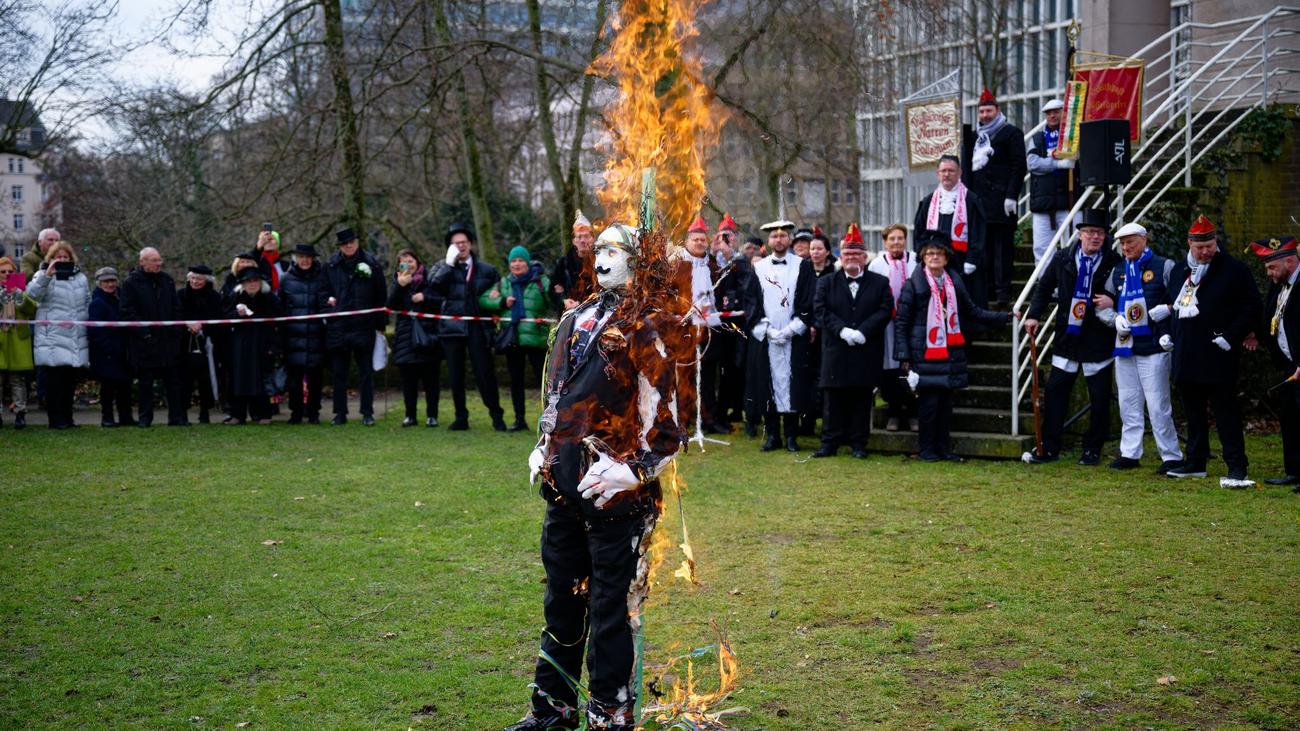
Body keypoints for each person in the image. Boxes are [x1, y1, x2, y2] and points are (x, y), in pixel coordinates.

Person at [508, 223, 686, 731]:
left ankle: (609, 714)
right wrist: (544, 446)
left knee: (611, 610)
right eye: (600, 248)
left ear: (638, 259)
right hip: (564, 487)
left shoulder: (650, 326)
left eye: (616, 249)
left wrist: (633, 471)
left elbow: (670, 423)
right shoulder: (576, 317)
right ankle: (553, 709)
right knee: (561, 601)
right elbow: (556, 395)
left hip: (617, 499)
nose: (604, 258)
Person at [895, 236, 1012, 461]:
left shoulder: (954, 283)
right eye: (930, 253)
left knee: (946, 404)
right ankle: (927, 450)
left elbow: (973, 311)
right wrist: (904, 355)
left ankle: (944, 449)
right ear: (923, 258)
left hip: (950, 352)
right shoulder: (913, 284)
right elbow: (902, 322)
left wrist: (1003, 317)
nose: (934, 257)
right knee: (929, 404)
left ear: (947, 258)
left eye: (939, 253)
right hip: (924, 352)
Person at [1165, 215, 1263, 484]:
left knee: (1226, 412)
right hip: (1186, 353)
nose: (1206, 251)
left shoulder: (1234, 270)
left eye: (1210, 245)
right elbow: (1170, 306)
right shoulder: (1179, 271)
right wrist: (1167, 334)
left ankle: (1236, 465)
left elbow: (1252, 307)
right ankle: (1195, 461)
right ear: (1190, 243)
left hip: (1218, 354)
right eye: (1200, 247)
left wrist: (1232, 336)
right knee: (1193, 412)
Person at [1022, 209, 1120, 465]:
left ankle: (1092, 449)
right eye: (1090, 232)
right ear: (1080, 234)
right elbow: (1044, 287)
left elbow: (1126, 292)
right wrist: (1034, 315)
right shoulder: (1063, 257)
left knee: (1099, 398)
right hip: (1068, 335)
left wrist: (1113, 300)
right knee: (1056, 392)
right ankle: (1049, 446)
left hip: (1097, 336)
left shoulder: (1113, 261)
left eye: (1100, 233)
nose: (1096, 237)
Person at [1094, 223, 1182, 473]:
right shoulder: (1118, 271)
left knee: (1158, 405)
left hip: (1154, 346)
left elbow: (1180, 299)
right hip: (1125, 347)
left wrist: (1167, 320)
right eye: (1122, 243)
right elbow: (1102, 305)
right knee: (1128, 402)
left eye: (1130, 242)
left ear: (1144, 240)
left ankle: (1171, 455)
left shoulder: (1164, 266)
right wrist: (1114, 320)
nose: (1125, 247)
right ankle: (1130, 453)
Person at [812, 224, 893, 458]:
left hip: (865, 349)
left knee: (861, 398)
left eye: (857, 254)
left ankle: (859, 444)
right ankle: (829, 443)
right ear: (841, 257)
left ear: (865, 257)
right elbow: (820, 310)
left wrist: (864, 331)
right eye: (847, 254)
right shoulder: (826, 282)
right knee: (833, 399)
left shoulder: (880, 282)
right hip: (836, 348)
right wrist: (842, 330)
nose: (852, 258)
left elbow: (885, 310)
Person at [744, 218, 814, 451]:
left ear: (790, 239)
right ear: (769, 240)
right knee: (767, 384)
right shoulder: (759, 268)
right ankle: (773, 435)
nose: (779, 239)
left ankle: (792, 435)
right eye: (774, 236)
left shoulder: (803, 266)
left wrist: (792, 329)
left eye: (783, 235)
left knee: (794, 384)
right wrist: (769, 330)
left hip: (794, 337)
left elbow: (808, 299)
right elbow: (751, 301)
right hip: (768, 338)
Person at [429, 223, 507, 431]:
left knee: (484, 373)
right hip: (451, 328)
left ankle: (496, 416)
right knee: (455, 375)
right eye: (456, 243)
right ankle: (460, 417)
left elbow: (496, 294)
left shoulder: (487, 270)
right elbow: (434, 287)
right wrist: (448, 266)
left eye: (463, 242)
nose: (461, 246)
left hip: (477, 328)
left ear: (471, 244)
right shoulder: (441, 268)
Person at [481, 245, 551, 432]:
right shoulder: (503, 283)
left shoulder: (541, 281)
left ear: (527, 263)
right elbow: (483, 300)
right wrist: (501, 301)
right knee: (516, 381)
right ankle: (519, 420)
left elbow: (554, 300)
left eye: (520, 260)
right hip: (513, 339)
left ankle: (549, 419)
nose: (517, 264)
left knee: (543, 381)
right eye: (513, 261)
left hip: (537, 339)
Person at [966, 88, 1026, 305]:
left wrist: (1012, 195)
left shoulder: (1012, 133)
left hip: (1002, 202)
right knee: (984, 249)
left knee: (1002, 250)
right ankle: (988, 290)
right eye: (982, 111)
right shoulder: (974, 137)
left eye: (988, 111)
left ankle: (1003, 292)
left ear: (997, 110)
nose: (985, 115)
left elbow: (1019, 167)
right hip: (979, 202)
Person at [323, 227, 388, 426]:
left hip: (363, 325)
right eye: (344, 243)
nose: (348, 246)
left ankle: (367, 412)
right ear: (340, 246)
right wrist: (329, 304)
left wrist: (380, 324)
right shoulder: (330, 265)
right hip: (338, 326)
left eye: (351, 242)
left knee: (365, 372)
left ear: (357, 242)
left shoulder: (372, 264)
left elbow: (380, 295)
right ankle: (340, 413)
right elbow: (323, 290)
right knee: (339, 373)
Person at [1251, 236, 1300, 489]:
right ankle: (1294, 471)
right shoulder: (1280, 284)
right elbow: (1270, 314)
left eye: (1272, 267)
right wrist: (1256, 335)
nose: (1268, 273)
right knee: (1291, 418)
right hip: (1288, 364)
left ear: (1289, 262)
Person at [119, 247, 187, 427]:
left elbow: (176, 307)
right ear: (143, 262)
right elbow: (127, 311)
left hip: (168, 340)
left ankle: (176, 417)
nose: (159, 264)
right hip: (144, 342)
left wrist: (175, 330)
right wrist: (145, 333)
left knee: (173, 381)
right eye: (154, 260)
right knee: (145, 383)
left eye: (159, 260)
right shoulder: (130, 283)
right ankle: (145, 418)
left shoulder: (167, 280)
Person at [25, 241, 90, 429]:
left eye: (65, 257)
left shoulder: (81, 278)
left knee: (70, 381)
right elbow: (32, 295)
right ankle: (55, 420)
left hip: (75, 336)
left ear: (71, 258)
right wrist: (46, 276)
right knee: (54, 382)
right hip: (52, 337)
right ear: (51, 258)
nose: (62, 260)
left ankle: (68, 418)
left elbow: (87, 302)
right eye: (58, 257)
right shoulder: (41, 274)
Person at [867, 223, 918, 431]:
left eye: (900, 238)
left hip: (912, 323)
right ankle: (894, 412)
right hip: (887, 324)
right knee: (890, 368)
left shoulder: (916, 260)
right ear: (885, 242)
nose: (896, 242)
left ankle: (913, 412)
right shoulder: (877, 264)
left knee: (910, 367)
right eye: (892, 239)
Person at [914, 155, 986, 302]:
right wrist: (921, 255)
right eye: (943, 171)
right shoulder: (928, 201)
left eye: (951, 171)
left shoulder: (971, 200)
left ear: (959, 173)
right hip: (934, 262)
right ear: (938, 173)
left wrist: (972, 259)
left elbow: (978, 232)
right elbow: (919, 232)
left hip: (962, 264)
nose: (947, 174)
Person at [678, 215, 723, 435]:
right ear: (687, 241)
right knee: (684, 376)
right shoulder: (677, 265)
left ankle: (708, 419)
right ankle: (683, 419)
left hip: (708, 328)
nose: (699, 243)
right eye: (695, 239)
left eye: (702, 240)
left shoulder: (713, 265)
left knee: (708, 376)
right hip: (684, 330)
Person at [387, 248, 441, 427]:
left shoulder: (430, 279)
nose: (408, 265)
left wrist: (425, 298)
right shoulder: (398, 281)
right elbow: (390, 306)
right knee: (408, 381)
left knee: (431, 380)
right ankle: (410, 415)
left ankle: (432, 415)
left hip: (428, 334)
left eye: (410, 261)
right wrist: (399, 286)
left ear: (418, 262)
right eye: (403, 262)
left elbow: (441, 301)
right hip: (405, 336)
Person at [279, 244, 330, 424]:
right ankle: (296, 413)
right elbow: (281, 307)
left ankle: (314, 412)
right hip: (293, 336)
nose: (305, 260)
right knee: (295, 379)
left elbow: (325, 304)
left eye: (308, 257)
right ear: (296, 259)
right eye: (301, 257)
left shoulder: (322, 277)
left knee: (315, 378)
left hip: (316, 335)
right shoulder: (285, 279)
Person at [223, 267, 281, 424]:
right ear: (242, 284)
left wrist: (274, 346)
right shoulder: (235, 297)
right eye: (248, 281)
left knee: (262, 380)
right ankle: (237, 414)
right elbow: (225, 317)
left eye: (255, 280)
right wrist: (237, 315)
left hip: (263, 344)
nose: (252, 284)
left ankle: (263, 414)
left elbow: (279, 321)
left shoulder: (269, 298)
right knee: (238, 379)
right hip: (240, 345)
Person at [707, 213, 748, 432]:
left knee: (729, 371)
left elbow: (746, 286)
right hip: (712, 324)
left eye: (729, 236)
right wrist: (712, 253)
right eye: (722, 235)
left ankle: (723, 414)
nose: (725, 240)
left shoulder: (741, 262)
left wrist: (730, 255)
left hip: (733, 325)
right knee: (709, 372)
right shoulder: (710, 262)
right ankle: (709, 416)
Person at [1026, 99, 1077, 262]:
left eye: (1056, 112)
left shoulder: (1073, 136)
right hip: (1043, 203)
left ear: (1064, 113)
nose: (1052, 116)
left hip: (1069, 200)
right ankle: (1046, 279)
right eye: (1049, 113)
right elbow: (1032, 163)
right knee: (1042, 249)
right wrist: (1057, 164)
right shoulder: (1037, 138)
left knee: (1074, 246)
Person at [798, 230, 837, 436]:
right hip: (806, 332)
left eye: (819, 249)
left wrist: (818, 324)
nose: (815, 252)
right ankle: (807, 422)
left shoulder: (835, 273)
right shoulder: (804, 271)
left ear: (827, 252)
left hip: (827, 332)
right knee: (807, 378)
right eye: (812, 249)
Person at [86, 267, 133, 427]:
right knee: (108, 387)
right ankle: (107, 417)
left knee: (125, 386)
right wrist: (109, 347)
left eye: (112, 281)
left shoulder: (121, 299)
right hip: (106, 352)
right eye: (106, 281)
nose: (110, 284)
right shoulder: (97, 303)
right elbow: (95, 330)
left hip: (122, 349)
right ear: (99, 283)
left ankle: (125, 416)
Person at [177, 264, 222, 424]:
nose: (195, 282)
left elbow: (218, 318)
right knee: (184, 379)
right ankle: (182, 411)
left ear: (206, 281)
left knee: (206, 378)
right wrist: (187, 324)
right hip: (184, 343)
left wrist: (202, 326)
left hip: (206, 342)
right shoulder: (180, 295)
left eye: (199, 279)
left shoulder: (214, 297)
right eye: (193, 278)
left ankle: (205, 410)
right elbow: (176, 314)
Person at [0, 256, 36, 428]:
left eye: (10, 271)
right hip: (1, 341)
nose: (6, 274)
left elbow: (32, 309)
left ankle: (20, 414)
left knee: (18, 380)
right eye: (3, 271)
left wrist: (18, 295)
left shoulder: (21, 289)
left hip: (17, 340)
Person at [551, 209, 596, 311]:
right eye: (579, 237)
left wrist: (581, 303)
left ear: (592, 239)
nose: (583, 240)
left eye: (586, 236)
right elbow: (553, 292)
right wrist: (563, 300)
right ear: (574, 241)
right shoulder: (563, 264)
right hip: (568, 314)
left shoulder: (600, 262)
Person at [254, 227, 287, 292]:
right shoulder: (256, 263)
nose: (268, 241)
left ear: (277, 243)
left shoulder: (287, 266)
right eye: (265, 239)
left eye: (271, 239)